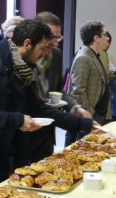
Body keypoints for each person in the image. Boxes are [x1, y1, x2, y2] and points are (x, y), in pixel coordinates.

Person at [0, 19, 96, 198]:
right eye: (43, 48)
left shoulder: (22, 68)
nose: (44, 54)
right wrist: (17, 120)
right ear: (27, 44)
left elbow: (38, 108)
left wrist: (84, 123)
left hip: (7, 155)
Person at [24, 11, 91, 161]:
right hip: (24, 130)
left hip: (47, 130)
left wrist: (75, 108)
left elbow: (57, 90)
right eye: (52, 37)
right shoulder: (23, 57)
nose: (55, 43)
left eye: (58, 37)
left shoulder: (56, 55)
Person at [65, 20, 111, 144]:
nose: (107, 38)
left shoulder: (94, 55)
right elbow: (78, 91)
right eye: (105, 34)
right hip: (89, 115)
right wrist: (89, 115)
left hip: (96, 113)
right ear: (96, 38)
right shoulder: (83, 57)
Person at [98, 31, 115, 122]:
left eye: (109, 42)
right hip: (102, 95)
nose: (108, 44)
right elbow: (106, 74)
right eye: (106, 40)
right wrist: (113, 75)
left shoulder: (90, 52)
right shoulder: (103, 53)